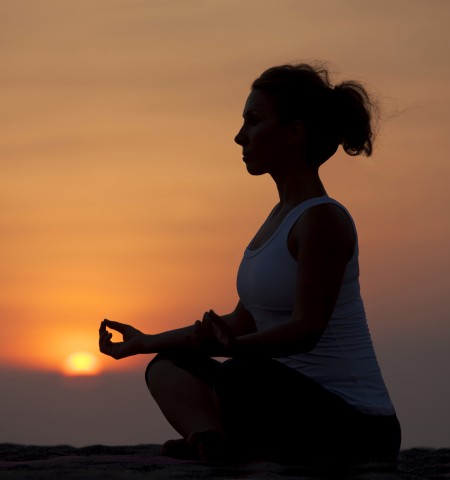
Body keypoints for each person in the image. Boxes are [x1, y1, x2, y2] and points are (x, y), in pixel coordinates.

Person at [99, 63, 401, 465]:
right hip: (284, 400)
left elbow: (307, 330)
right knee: (168, 367)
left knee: (243, 374)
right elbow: (242, 321)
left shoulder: (322, 220)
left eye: (254, 121)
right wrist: (144, 342)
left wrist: (237, 348)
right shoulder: (279, 218)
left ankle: (234, 444)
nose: (240, 136)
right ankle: (211, 440)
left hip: (358, 426)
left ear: (295, 132)